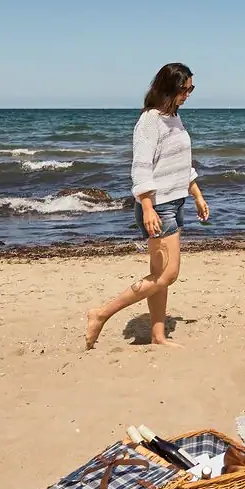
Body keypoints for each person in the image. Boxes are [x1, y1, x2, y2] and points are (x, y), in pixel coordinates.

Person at [83, 62, 209, 349]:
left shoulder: (173, 118)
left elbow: (180, 165)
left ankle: (157, 336)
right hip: (158, 206)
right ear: (169, 87)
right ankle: (101, 314)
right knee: (168, 274)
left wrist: (197, 195)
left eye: (191, 88)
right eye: (184, 88)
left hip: (175, 201)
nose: (188, 93)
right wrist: (148, 206)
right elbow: (141, 168)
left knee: (159, 274)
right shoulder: (150, 121)